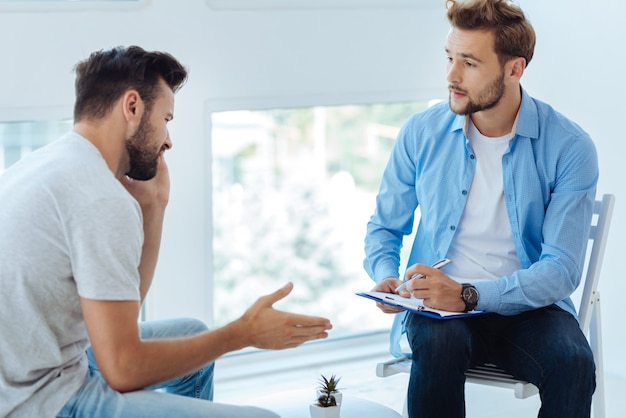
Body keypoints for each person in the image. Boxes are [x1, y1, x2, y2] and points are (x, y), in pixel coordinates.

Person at [0, 46, 332, 418]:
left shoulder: (50, 164)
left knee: (191, 331)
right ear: (132, 107)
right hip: (39, 400)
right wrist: (243, 333)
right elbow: (123, 367)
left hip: (33, 370)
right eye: (166, 118)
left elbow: (122, 308)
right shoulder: (98, 196)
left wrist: (154, 206)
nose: (168, 140)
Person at [364, 1, 598, 417]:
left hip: (529, 308)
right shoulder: (422, 132)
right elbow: (384, 226)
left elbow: (560, 269)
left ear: (514, 69)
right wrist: (385, 275)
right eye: (450, 58)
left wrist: (469, 295)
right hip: (438, 308)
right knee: (438, 344)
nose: (451, 76)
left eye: (469, 63)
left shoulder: (569, 147)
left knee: (573, 362)